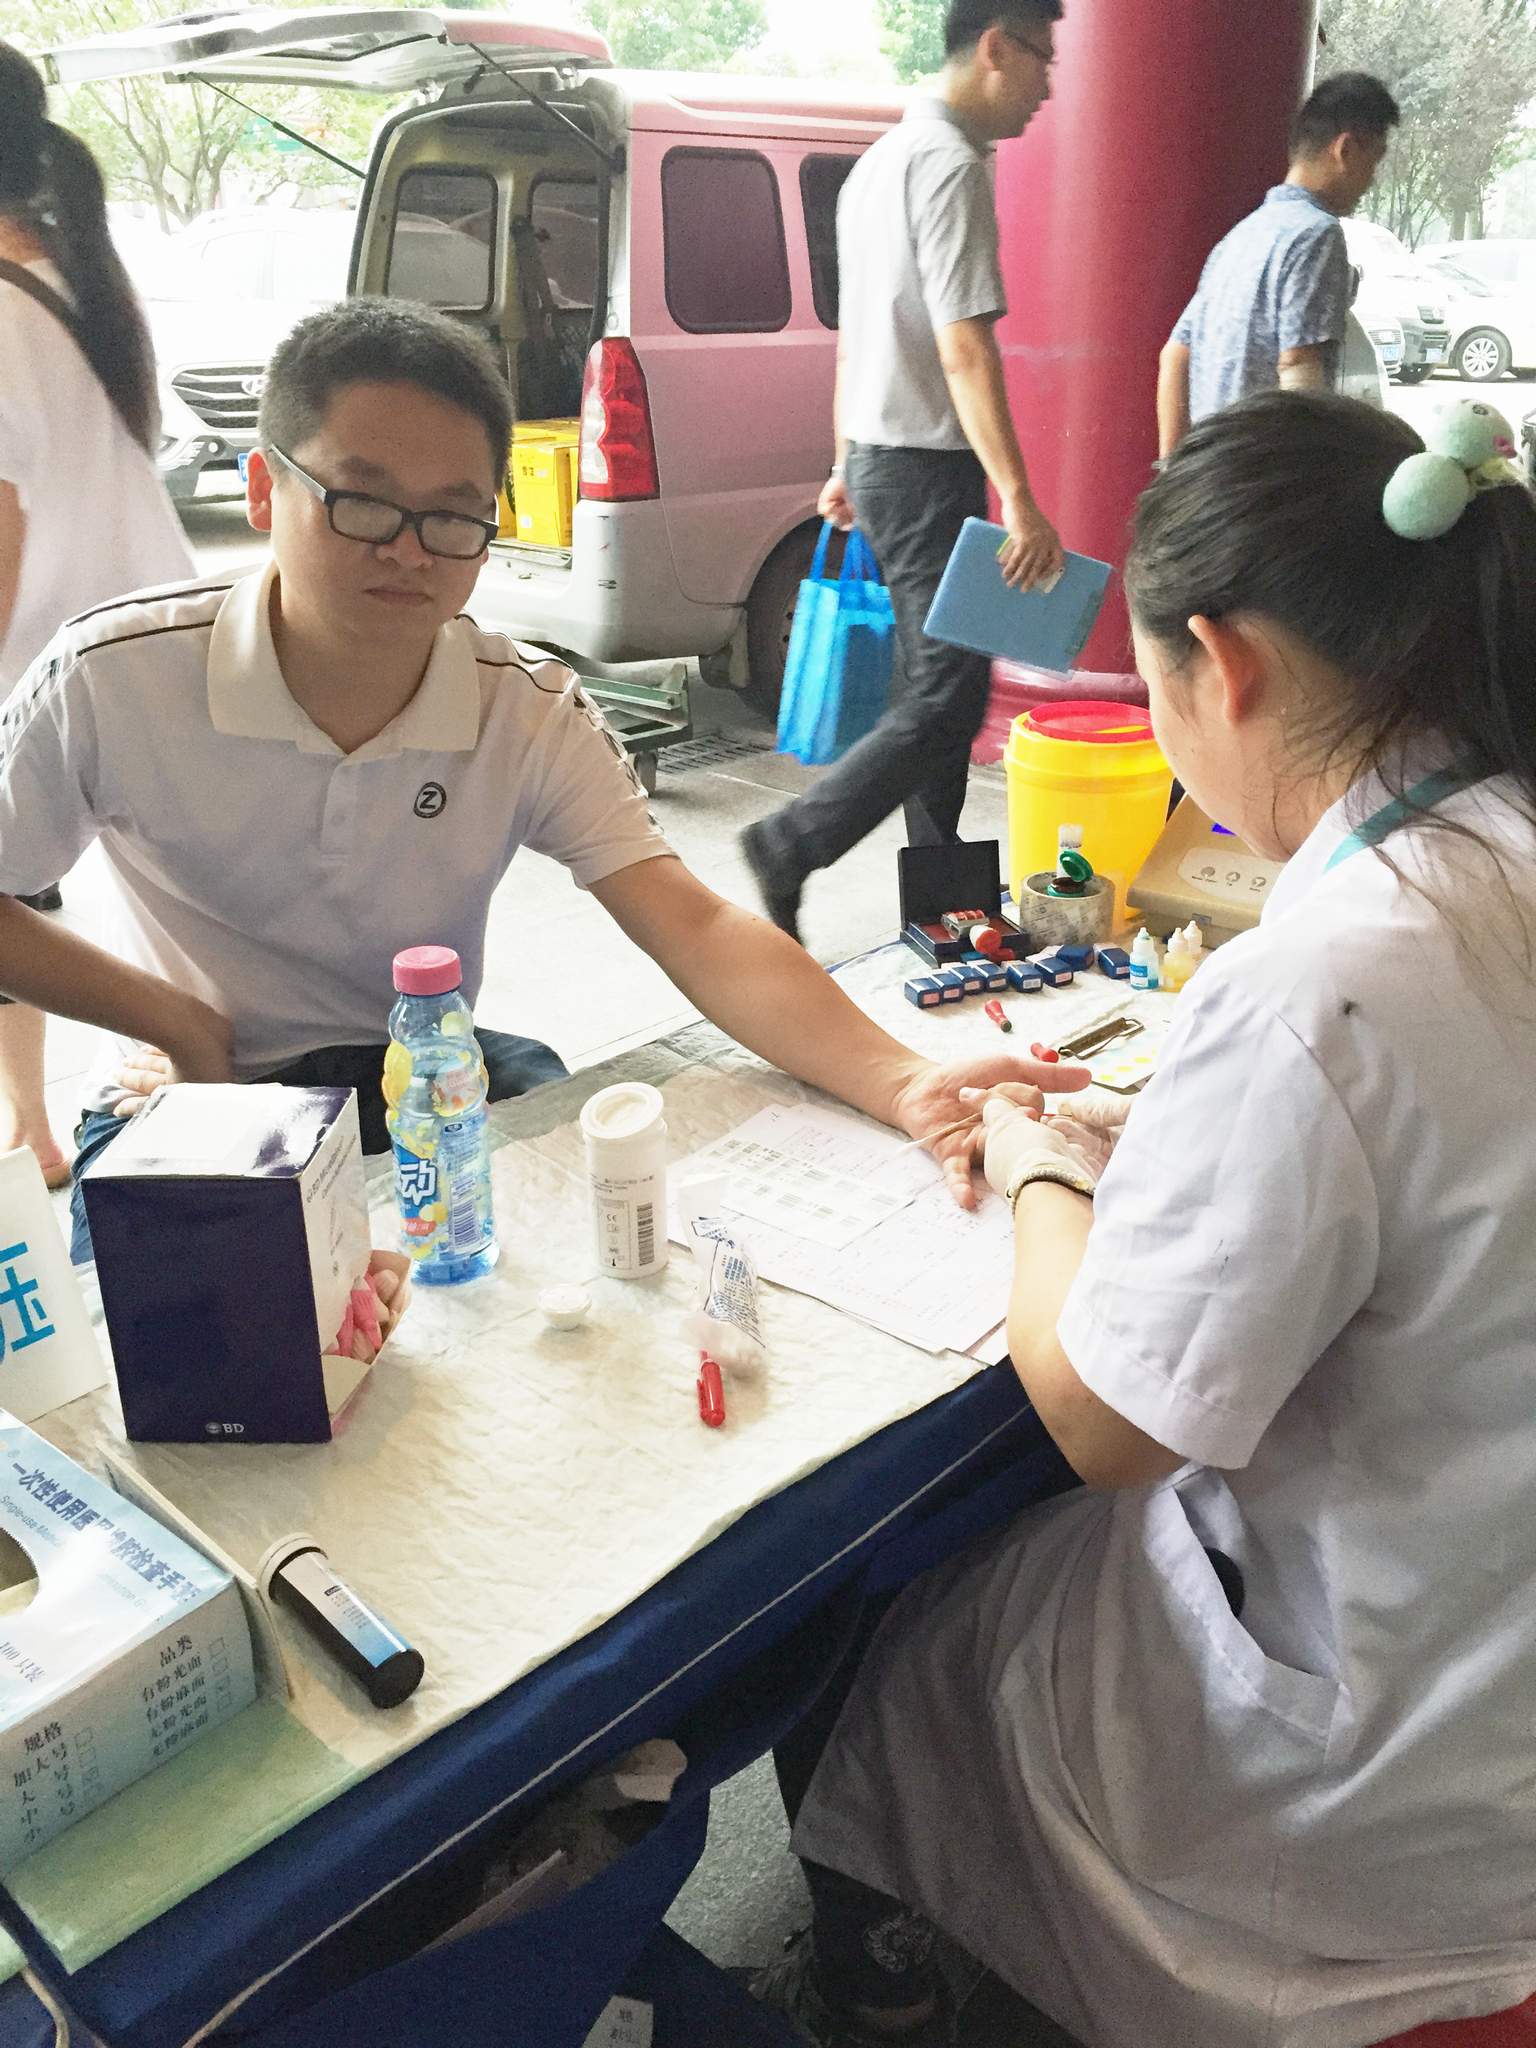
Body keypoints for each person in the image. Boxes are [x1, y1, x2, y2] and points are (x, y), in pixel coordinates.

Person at [759, 391, 1536, 2047]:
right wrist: (1169, 1129)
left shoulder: (1325, 982)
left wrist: (1042, 1157)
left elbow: (1109, 1424)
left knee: (898, 1619)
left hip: (1381, 1792)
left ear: (1221, 664)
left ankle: (885, 1975)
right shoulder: (1493, 863)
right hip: (1493, 1659)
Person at [0, 296, 1080, 1264]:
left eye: (453, 515)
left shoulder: (523, 707)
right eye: (361, 500)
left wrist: (904, 1080)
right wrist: (173, 1022)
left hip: (420, 1080)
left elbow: (693, 923)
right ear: (262, 487)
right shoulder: (111, 676)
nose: (409, 552)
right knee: (196, 1349)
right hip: (194, 1090)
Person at [739, 0, 1065, 946]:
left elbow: (857, 338)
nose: (1048, 86)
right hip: (927, 466)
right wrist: (1022, 501)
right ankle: (790, 843)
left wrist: (846, 460)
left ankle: (945, 894)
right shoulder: (950, 164)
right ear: (996, 48)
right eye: (1042, 59)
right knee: (948, 695)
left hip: (886, 460)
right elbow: (964, 349)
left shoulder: (879, 164)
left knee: (937, 685)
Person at [0, 41, 194, 1187]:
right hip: (143, 651)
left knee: (23, 904)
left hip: (77, 676)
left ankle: (49, 1122)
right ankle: (35, 1124)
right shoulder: (74, 282)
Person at [1157, 71, 1399, 458]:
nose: (1371, 180)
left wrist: (1174, 472)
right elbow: (1298, 365)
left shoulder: (1238, 239)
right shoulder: (1317, 233)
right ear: (1346, 149)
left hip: (1212, 475)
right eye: (1374, 160)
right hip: (1264, 477)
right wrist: (1305, 474)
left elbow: (1175, 355)